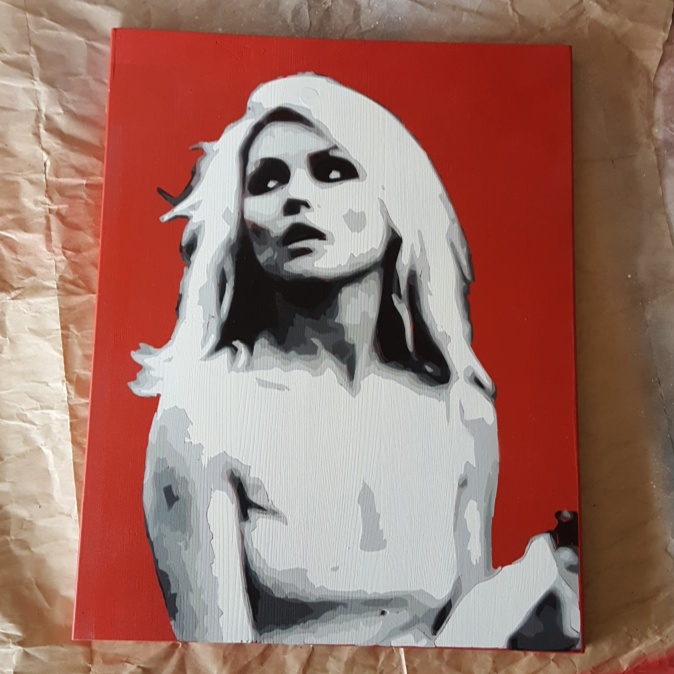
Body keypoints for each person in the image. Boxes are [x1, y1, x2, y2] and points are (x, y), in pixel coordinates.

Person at [131, 74, 580, 648]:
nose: (296, 196)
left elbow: (466, 646)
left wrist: (540, 596)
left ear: (394, 201)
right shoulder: (199, 421)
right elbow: (214, 663)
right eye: (266, 181)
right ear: (240, 223)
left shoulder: (463, 414)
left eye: (334, 170)